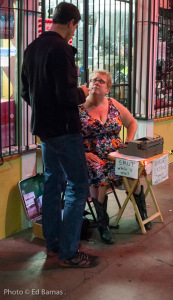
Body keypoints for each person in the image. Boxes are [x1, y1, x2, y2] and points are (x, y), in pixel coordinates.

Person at [21, 2, 99, 268]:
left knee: (54, 184)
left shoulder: (32, 49)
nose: (74, 34)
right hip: (65, 130)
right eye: (75, 28)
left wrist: (43, 109)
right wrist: (83, 92)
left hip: (44, 130)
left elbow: (24, 91)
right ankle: (69, 252)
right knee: (78, 186)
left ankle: (53, 243)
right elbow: (67, 95)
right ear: (72, 22)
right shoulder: (61, 49)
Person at [79, 70, 138, 244]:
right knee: (99, 171)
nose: (97, 83)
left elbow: (132, 122)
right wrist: (83, 154)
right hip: (91, 156)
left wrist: (127, 143)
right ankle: (102, 223)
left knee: (134, 168)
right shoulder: (79, 108)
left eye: (101, 81)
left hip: (116, 153)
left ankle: (141, 211)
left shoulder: (113, 104)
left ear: (108, 89)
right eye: (93, 80)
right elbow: (70, 136)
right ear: (88, 85)